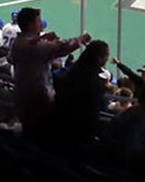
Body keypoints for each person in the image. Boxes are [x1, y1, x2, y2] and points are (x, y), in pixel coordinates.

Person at [8, 7, 90, 136]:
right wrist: (80, 39)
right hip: (38, 95)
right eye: (38, 21)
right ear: (31, 25)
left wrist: (41, 38)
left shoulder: (17, 42)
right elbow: (62, 47)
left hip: (22, 93)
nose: (41, 23)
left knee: (28, 128)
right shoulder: (35, 47)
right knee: (39, 130)